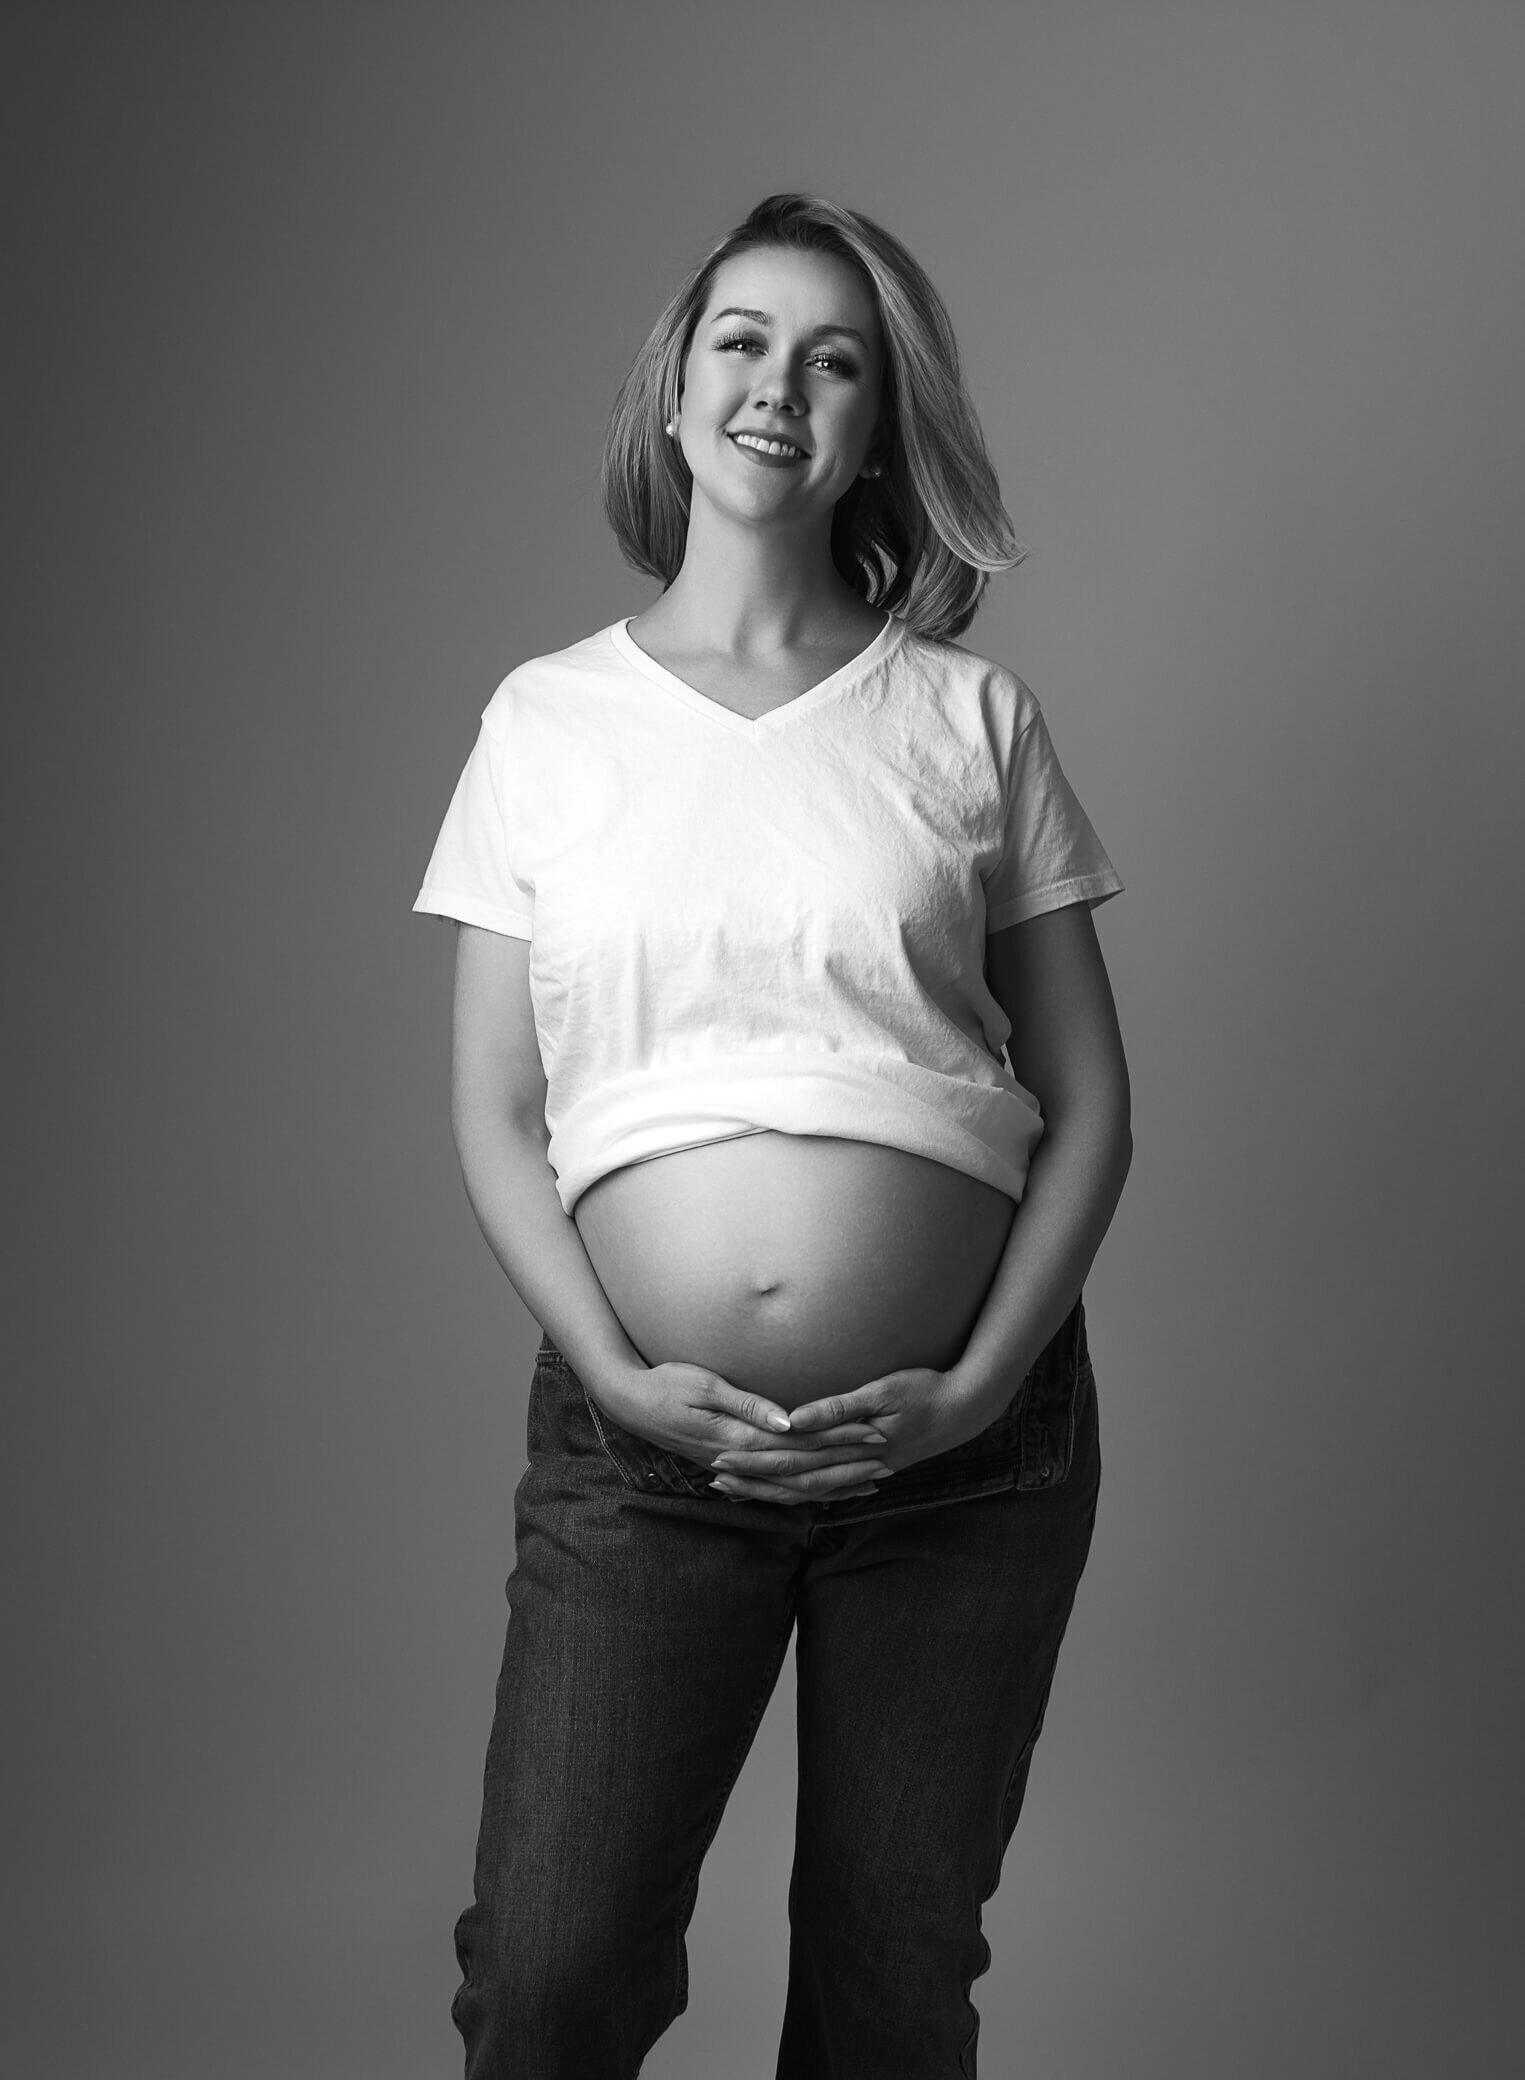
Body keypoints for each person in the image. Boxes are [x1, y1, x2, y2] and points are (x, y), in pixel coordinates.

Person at [414, 192, 1131, 2080]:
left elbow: (1091, 1104)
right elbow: (495, 1110)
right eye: (741, 341)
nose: (778, 386)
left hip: (960, 1460)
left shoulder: (967, 717)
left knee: (894, 2002)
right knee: (554, 1980)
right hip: (645, 1452)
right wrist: (611, 1372)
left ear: (875, 425)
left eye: (835, 359)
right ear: (673, 394)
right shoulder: (544, 720)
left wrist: (978, 1385)